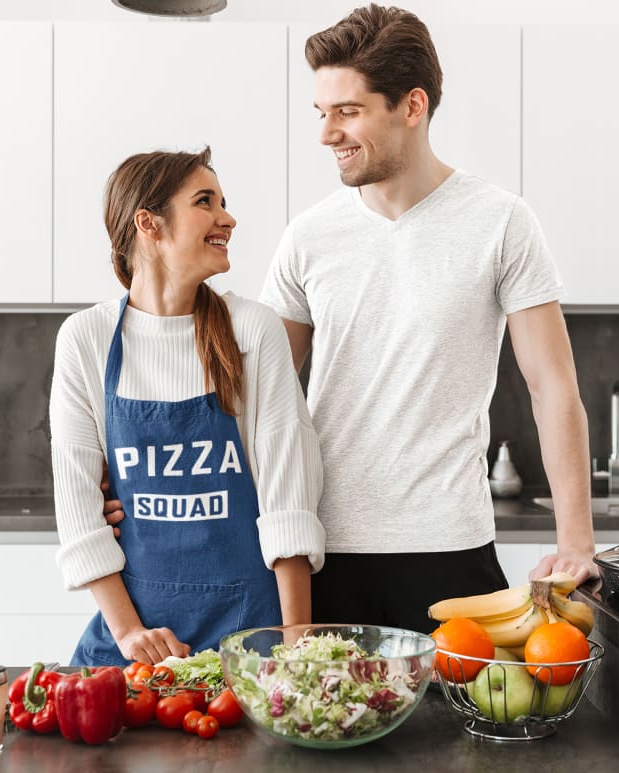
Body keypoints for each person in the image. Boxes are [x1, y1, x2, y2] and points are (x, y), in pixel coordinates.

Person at [256, 4, 597, 635]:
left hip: (451, 550)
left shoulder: (501, 222)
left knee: (466, 732)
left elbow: (553, 389)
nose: (327, 133)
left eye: (348, 111)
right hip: (322, 554)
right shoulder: (308, 237)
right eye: (321, 113)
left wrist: (576, 541)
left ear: (412, 106)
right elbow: (257, 395)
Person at [50, 147, 325, 666]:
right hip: (134, 646)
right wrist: (130, 633)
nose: (228, 218)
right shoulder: (85, 339)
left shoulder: (252, 330)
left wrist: (297, 650)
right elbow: (79, 512)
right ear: (148, 223)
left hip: (250, 640)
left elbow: (288, 502)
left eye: (224, 201)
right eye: (205, 201)